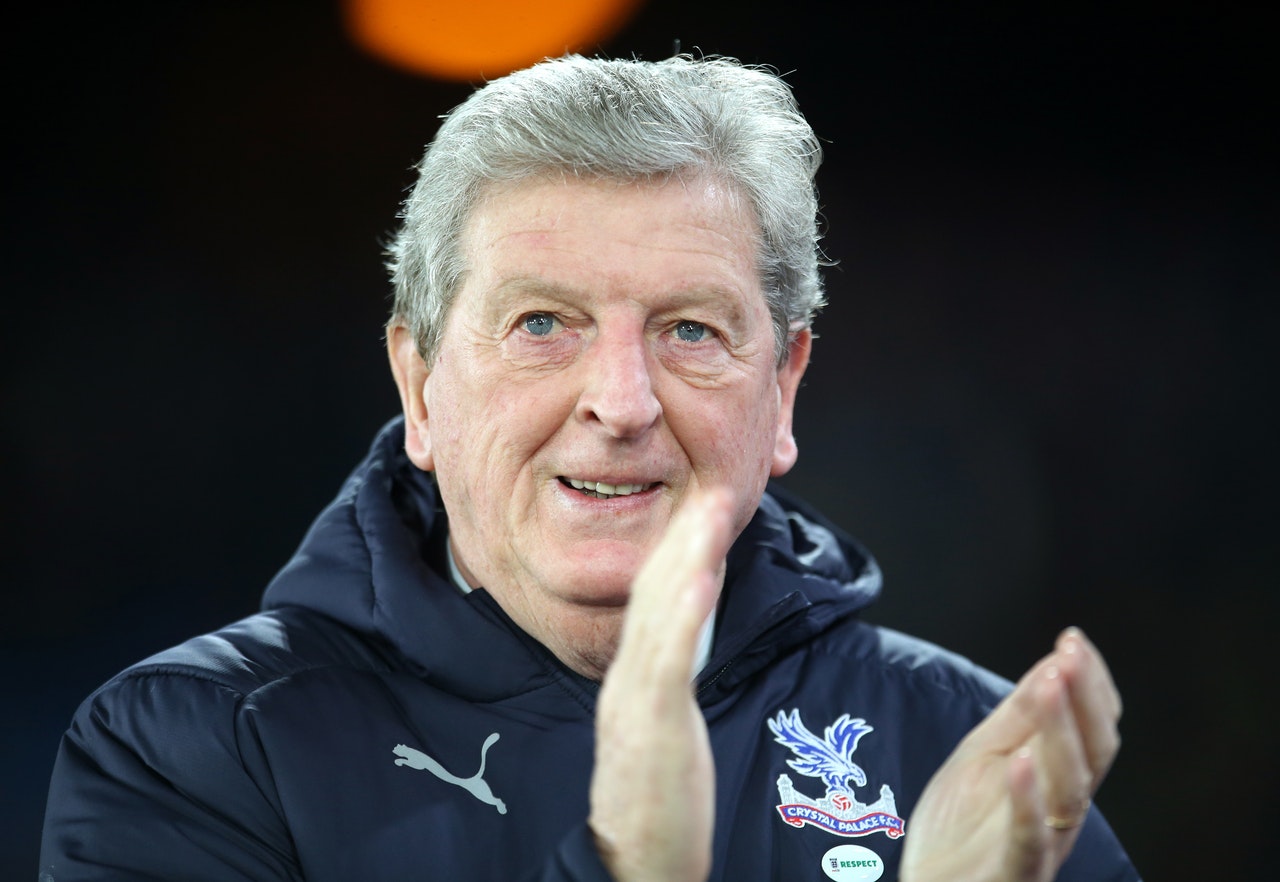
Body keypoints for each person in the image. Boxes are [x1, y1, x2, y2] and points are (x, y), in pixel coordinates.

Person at [40, 54, 1139, 882]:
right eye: (542, 324)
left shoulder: (970, 755)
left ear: (784, 388)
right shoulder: (194, 749)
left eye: (690, 331)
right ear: (419, 387)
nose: (621, 401)